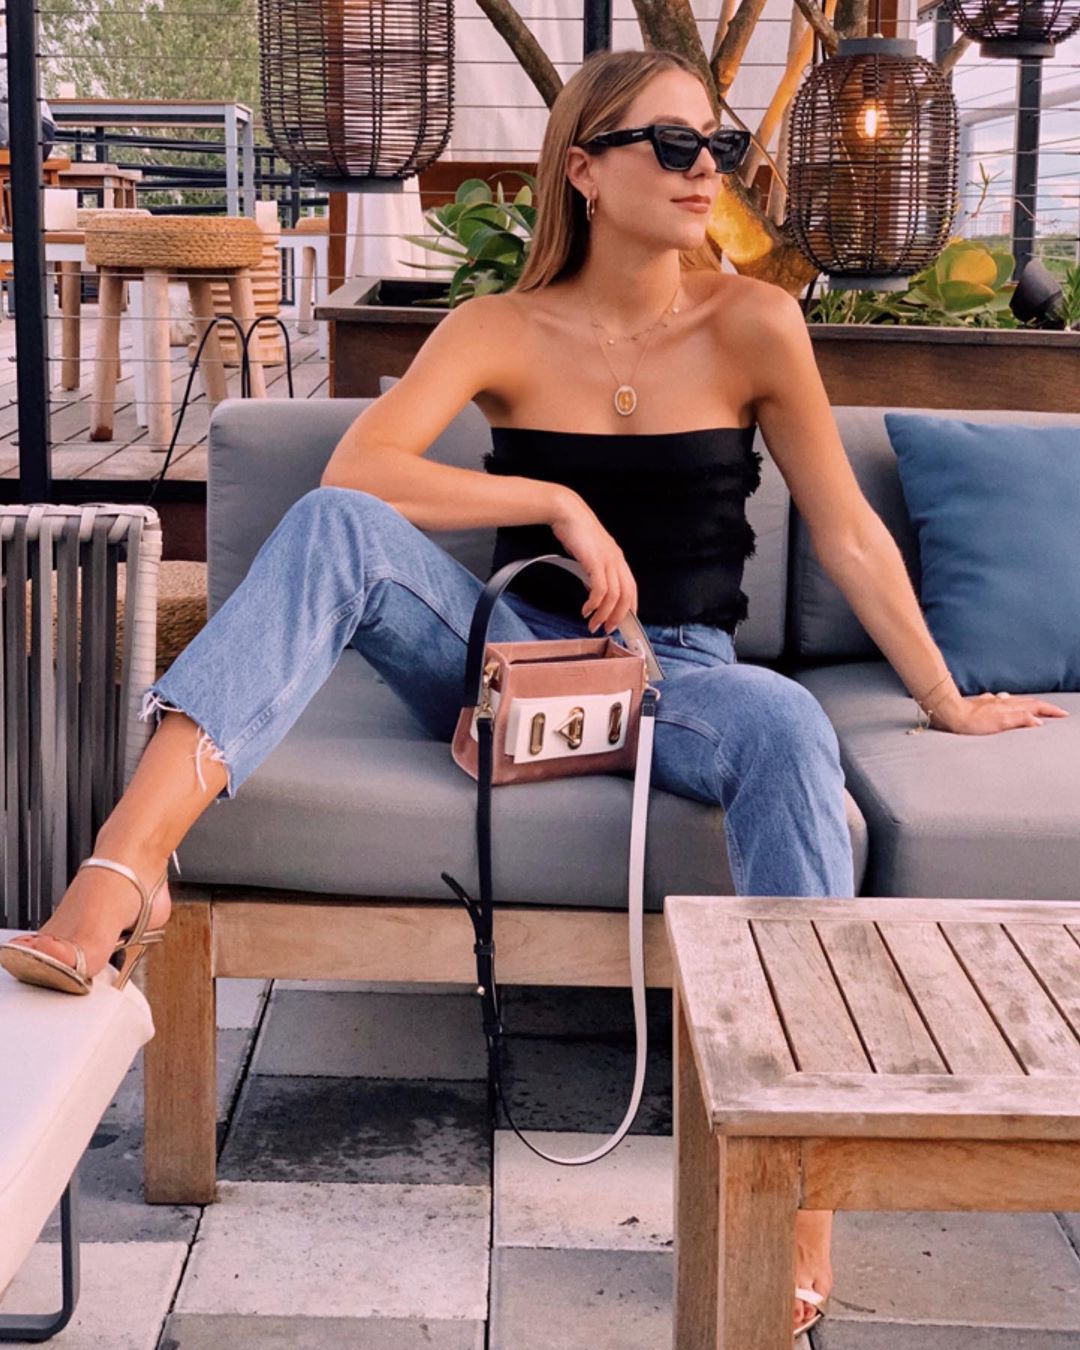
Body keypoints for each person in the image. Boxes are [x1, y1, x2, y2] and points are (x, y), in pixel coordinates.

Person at [1, 46, 1067, 1342]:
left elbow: (846, 531)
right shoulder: (498, 327)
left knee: (790, 724)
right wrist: (550, 497)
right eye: (670, 145)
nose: (704, 170)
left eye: (718, 147)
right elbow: (361, 471)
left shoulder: (753, 323)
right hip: (506, 654)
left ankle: (800, 1177)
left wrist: (949, 701)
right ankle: (121, 879)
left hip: (677, 675)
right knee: (337, 525)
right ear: (585, 169)